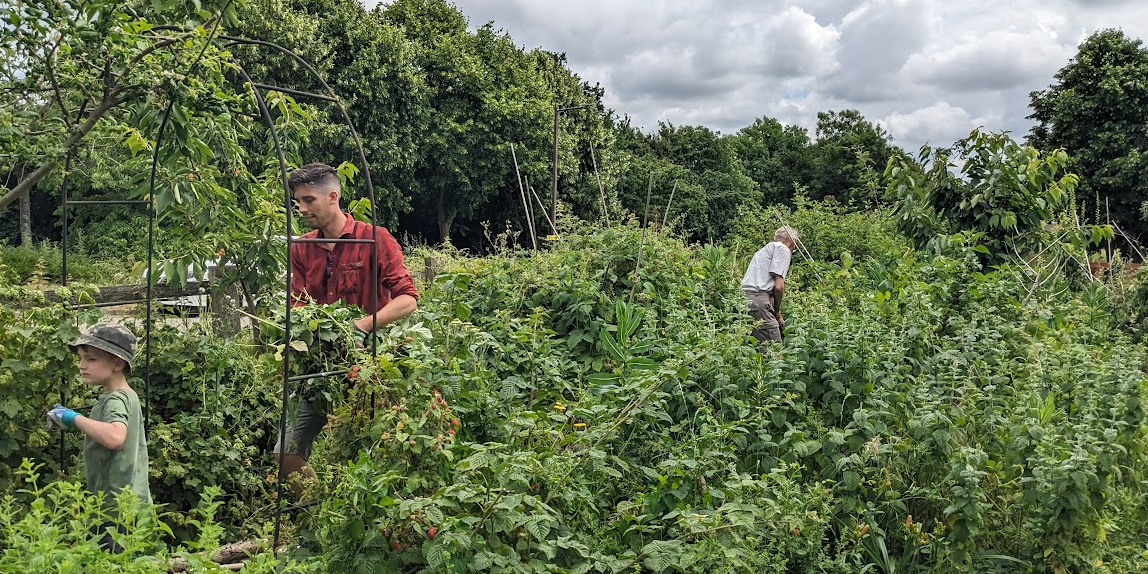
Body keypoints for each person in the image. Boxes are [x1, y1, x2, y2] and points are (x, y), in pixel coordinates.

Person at [277, 162, 419, 497]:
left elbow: (408, 299)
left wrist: (361, 326)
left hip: (371, 362)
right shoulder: (302, 246)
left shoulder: (373, 238)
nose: (301, 208)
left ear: (332, 197)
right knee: (287, 452)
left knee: (377, 451)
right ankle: (320, 515)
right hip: (319, 363)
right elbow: (297, 303)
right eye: (297, 201)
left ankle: (363, 527)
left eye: (309, 200)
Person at [46, 323, 151, 552]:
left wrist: (73, 418)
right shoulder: (127, 396)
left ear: (118, 363)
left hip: (115, 510)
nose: (81, 366)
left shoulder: (116, 399)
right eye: (81, 358)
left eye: (91, 359)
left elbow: (115, 437)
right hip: (132, 505)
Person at [741, 226, 798, 344]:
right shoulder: (783, 249)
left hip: (744, 299)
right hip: (758, 301)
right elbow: (778, 286)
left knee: (758, 347)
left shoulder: (765, 250)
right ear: (793, 242)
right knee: (774, 348)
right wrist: (777, 311)